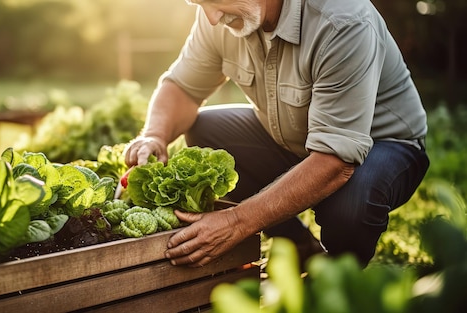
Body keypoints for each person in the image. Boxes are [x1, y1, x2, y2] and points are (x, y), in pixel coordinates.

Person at [123, 0, 429, 269]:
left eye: (215, 2)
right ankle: (297, 246)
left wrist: (236, 222)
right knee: (206, 130)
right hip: (294, 140)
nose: (212, 18)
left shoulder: (343, 22)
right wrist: (154, 135)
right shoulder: (219, 16)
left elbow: (335, 162)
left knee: (349, 206)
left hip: (384, 146)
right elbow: (183, 89)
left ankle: (338, 274)